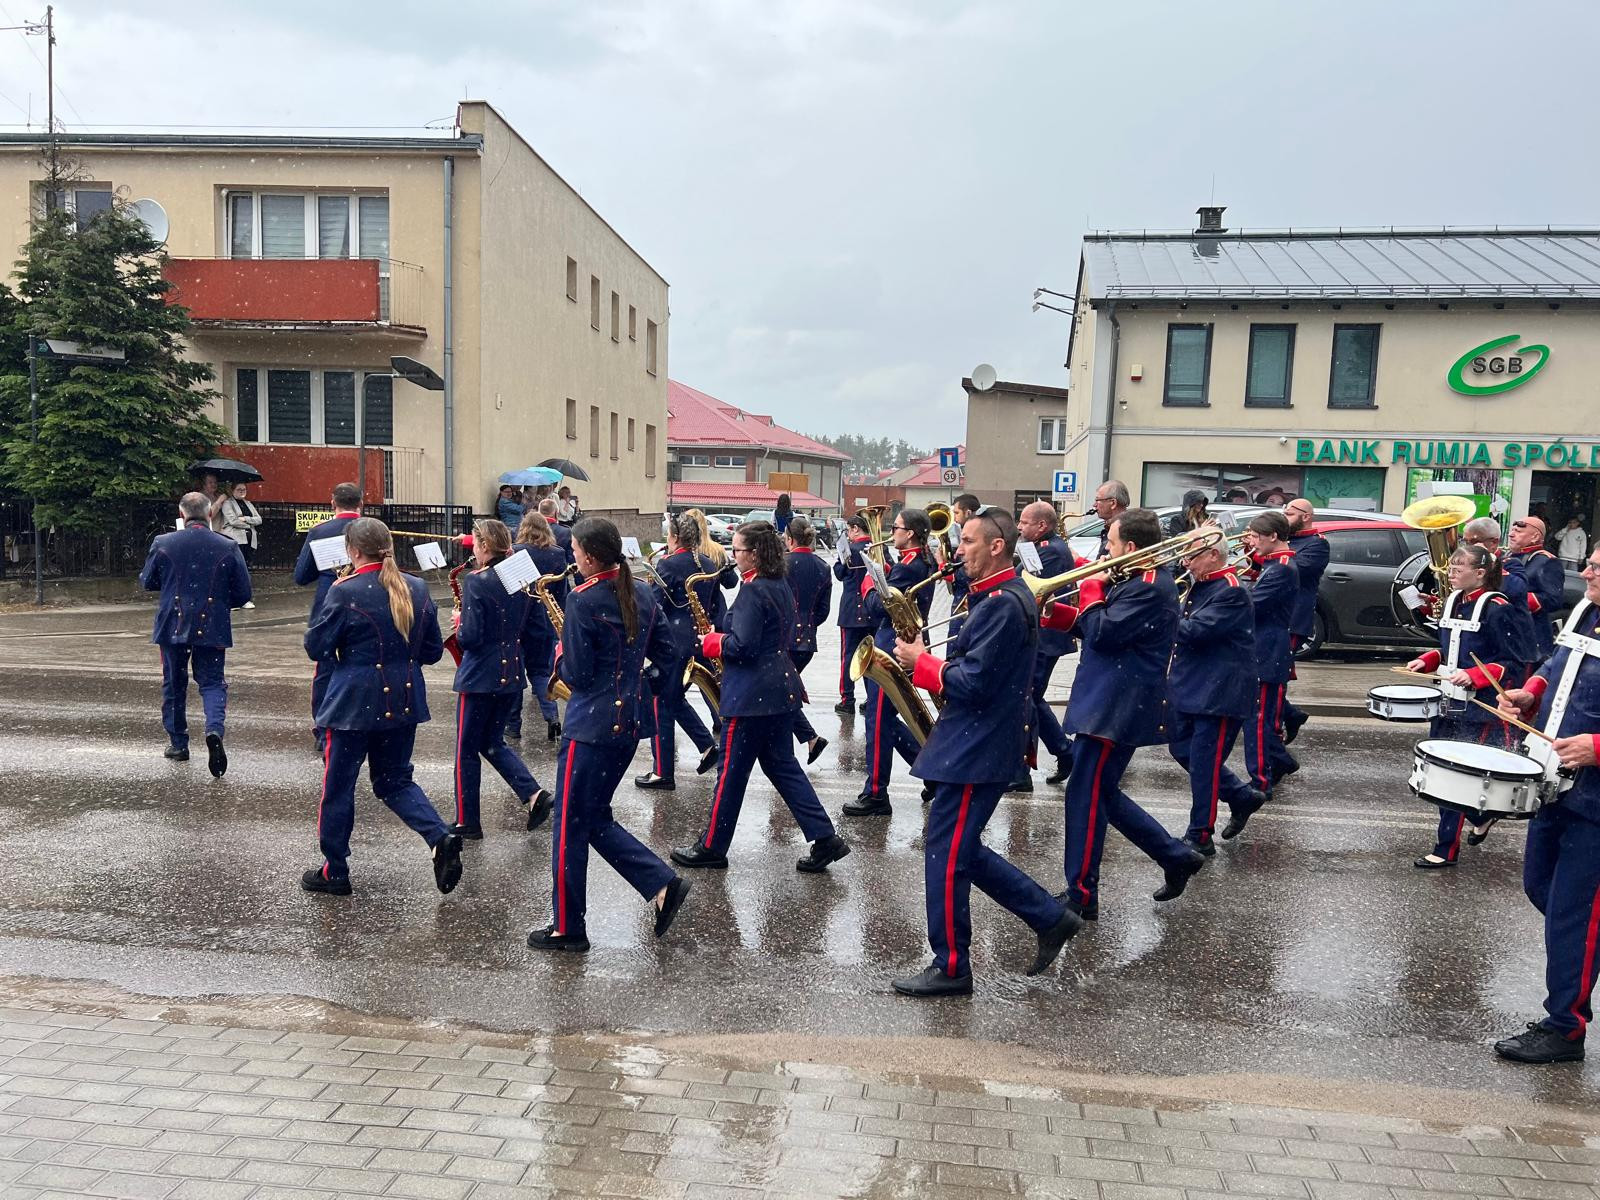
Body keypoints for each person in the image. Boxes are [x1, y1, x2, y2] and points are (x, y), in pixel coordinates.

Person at [888, 507, 1080, 997]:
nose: (958, 551)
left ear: (997, 546)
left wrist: (922, 663)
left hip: (980, 744)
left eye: (969, 541)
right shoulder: (997, 597)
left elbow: (973, 682)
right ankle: (1048, 917)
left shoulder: (1001, 603)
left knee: (946, 853)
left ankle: (952, 965)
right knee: (959, 849)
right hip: (978, 741)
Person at [527, 517, 691, 952]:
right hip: (629, 723)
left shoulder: (582, 600)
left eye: (577, 552)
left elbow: (576, 674)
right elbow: (667, 655)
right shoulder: (642, 591)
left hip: (591, 725)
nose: (573, 558)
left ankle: (567, 927)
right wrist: (636, 688)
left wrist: (560, 654)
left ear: (592, 556)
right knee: (591, 817)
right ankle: (660, 884)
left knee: (567, 824)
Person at [1046, 508, 1204, 920]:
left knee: (1086, 793)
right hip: (1108, 698)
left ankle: (1081, 893)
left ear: (1131, 548)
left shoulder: (1149, 586)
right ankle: (1174, 857)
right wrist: (1052, 613)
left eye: (1111, 544)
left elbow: (1103, 631)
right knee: (1100, 794)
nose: (1105, 551)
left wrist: (1090, 589)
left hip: (1115, 704)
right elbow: (1094, 626)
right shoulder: (1136, 579)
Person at [670, 522, 851, 873]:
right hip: (779, 690)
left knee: (731, 775)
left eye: (737, 550)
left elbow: (744, 646)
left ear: (753, 554)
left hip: (752, 697)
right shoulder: (778, 584)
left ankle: (711, 846)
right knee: (783, 767)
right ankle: (825, 837)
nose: (733, 556)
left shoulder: (753, 591)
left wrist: (714, 641)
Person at [300, 517, 462, 897]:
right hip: (403, 697)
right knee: (394, 781)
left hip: (353, 703)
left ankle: (334, 870)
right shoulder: (418, 588)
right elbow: (431, 652)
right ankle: (439, 836)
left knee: (338, 787)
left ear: (352, 551)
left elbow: (316, 648)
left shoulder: (344, 590)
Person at [1492, 549, 1600, 1063]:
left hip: (1597, 801)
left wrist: (1598, 748)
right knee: (1541, 886)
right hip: (1558, 782)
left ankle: (1565, 1027)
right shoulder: (1586, 609)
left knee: (1573, 913)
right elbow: (1560, 664)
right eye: (1592, 563)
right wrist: (1530, 693)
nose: (1588, 571)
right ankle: (1581, 961)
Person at [1405, 544, 1522, 868]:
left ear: (1481, 573)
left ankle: (1446, 848)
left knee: (1455, 775)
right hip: (1447, 699)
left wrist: (1475, 675)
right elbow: (1449, 651)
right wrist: (1427, 660)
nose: (1451, 571)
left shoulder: (1498, 607)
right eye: (1452, 566)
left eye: (1460, 566)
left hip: (1479, 706)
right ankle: (1480, 815)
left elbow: (1513, 662)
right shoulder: (1454, 601)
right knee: (1443, 767)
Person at [448, 518, 553, 840]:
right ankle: (534, 795)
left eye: (476, 546)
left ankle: (468, 821)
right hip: (511, 670)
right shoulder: (519, 574)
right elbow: (533, 622)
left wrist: (459, 619)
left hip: (480, 674)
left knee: (467, 749)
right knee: (492, 743)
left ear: (482, 546)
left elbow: (471, 637)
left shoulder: (477, 581)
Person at [139, 492, 253, 777]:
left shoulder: (163, 543)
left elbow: (147, 581)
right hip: (212, 623)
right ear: (210, 513)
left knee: (174, 683)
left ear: (182, 514)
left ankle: (178, 744)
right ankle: (214, 729)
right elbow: (243, 594)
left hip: (172, 623)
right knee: (213, 683)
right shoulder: (227, 546)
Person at [1166, 530, 1266, 854]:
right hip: (1192, 683)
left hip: (1220, 690)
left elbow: (1195, 631)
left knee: (1204, 763)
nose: (1186, 562)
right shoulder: (1200, 584)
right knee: (1181, 749)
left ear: (1213, 555)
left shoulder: (1232, 591)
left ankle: (1200, 835)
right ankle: (1240, 795)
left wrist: (1156, 611)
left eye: (1192, 555)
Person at [848, 507, 936, 816]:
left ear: (910, 533)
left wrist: (870, 584)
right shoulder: (918, 561)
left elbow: (877, 608)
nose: (891, 532)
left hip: (892, 646)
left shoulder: (910, 567)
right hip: (899, 644)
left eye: (896, 528)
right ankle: (932, 772)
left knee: (878, 720)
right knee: (887, 720)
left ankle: (875, 792)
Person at [635, 512, 720, 789]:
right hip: (700, 640)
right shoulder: (707, 562)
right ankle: (707, 746)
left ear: (675, 537)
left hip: (674, 642)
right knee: (674, 700)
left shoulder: (668, 564)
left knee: (660, 702)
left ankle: (663, 772)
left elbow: (657, 606)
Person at [294, 482, 363, 751]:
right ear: (361, 503)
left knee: (325, 668)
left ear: (332, 503)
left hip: (329, 604)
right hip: (366, 602)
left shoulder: (320, 531)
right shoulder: (372, 529)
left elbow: (301, 576)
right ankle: (356, 722)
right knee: (361, 664)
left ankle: (324, 730)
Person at [1014, 501, 1076, 791]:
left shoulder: (1051, 550)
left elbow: (1027, 584)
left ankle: (1023, 771)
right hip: (1041, 635)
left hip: (1046, 637)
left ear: (1042, 525)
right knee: (1032, 699)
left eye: (1025, 522)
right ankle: (1064, 752)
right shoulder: (1041, 547)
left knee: (1028, 699)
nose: (1019, 527)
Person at [1241, 511, 1300, 795]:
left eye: (1255, 536)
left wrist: (1227, 586)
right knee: (1258, 719)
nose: (1252, 542)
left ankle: (1260, 782)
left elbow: (1254, 604)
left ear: (1273, 536)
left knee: (1259, 721)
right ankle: (1280, 761)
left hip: (1268, 651)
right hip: (1263, 649)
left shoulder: (1282, 567)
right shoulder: (1275, 563)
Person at [507, 512, 569, 743]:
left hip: (520, 621)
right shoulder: (558, 553)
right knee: (542, 673)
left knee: (515, 675)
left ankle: (513, 725)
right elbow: (562, 592)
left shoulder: (517, 551)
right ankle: (552, 717)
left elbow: (511, 590)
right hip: (545, 620)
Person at [1279, 497, 1329, 743]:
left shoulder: (1317, 544)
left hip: (1293, 618)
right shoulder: (1286, 541)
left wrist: (1272, 549)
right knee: (1265, 675)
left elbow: (1296, 570)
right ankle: (1289, 714)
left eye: (1289, 513)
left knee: (1273, 674)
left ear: (1305, 516)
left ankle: (1277, 722)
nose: (1284, 517)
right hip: (1273, 616)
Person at [783, 516, 831, 764]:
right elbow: (823, 611)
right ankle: (808, 740)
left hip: (783, 639)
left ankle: (802, 742)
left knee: (781, 692)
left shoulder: (783, 563)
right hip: (807, 641)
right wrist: (808, 624)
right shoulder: (823, 566)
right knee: (784, 691)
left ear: (790, 538)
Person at [1506, 515, 1565, 665]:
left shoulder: (1547, 561)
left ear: (1535, 537)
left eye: (1518, 531)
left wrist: (1513, 601)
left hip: (1530, 636)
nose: (1511, 534)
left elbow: (1552, 600)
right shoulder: (1506, 557)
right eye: (1512, 530)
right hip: (1507, 630)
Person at [832, 514, 875, 714]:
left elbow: (840, 573)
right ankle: (872, 699)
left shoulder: (851, 549)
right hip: (872, 609)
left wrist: (838, 559)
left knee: (848, 657)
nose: (848, 534)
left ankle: (847, 699)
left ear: (856, 529)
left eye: (849, 530)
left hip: (851, 610)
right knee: (871, 658)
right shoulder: (878, 548)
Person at [218, 482, 263, 608]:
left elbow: (259, 519)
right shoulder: (228, 503)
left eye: (244, 489)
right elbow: (232, 521)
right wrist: (249, 524)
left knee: (246, 568)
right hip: (236, 539)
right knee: (235, 568)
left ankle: (244, 598)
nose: (242, 491)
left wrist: (246, 519)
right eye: (239, 489)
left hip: (250, 541)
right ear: (232, 490)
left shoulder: (248, 504)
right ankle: (232, 598)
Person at [945, 494, 982, 642]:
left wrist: (945, 568)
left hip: (966, 599)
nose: (953, 518)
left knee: (956, 642)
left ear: (968, 513)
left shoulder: (976, 535)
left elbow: (966, 573)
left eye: (956, 513)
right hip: (961, 597)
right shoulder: (963, 530)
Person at [1092, 480, 1130, 559]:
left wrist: (1079, 561)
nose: (1094, 505)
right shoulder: (1110, 527)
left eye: (1097, 500)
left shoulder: (1126, 529)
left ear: (1113, 503)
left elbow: (1110, 568)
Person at [537, 497, 574, 561]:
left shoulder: (528, 529)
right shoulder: (565, 532)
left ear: (538, 513)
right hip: (558, 568)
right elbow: (570, 558)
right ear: (556, 513)